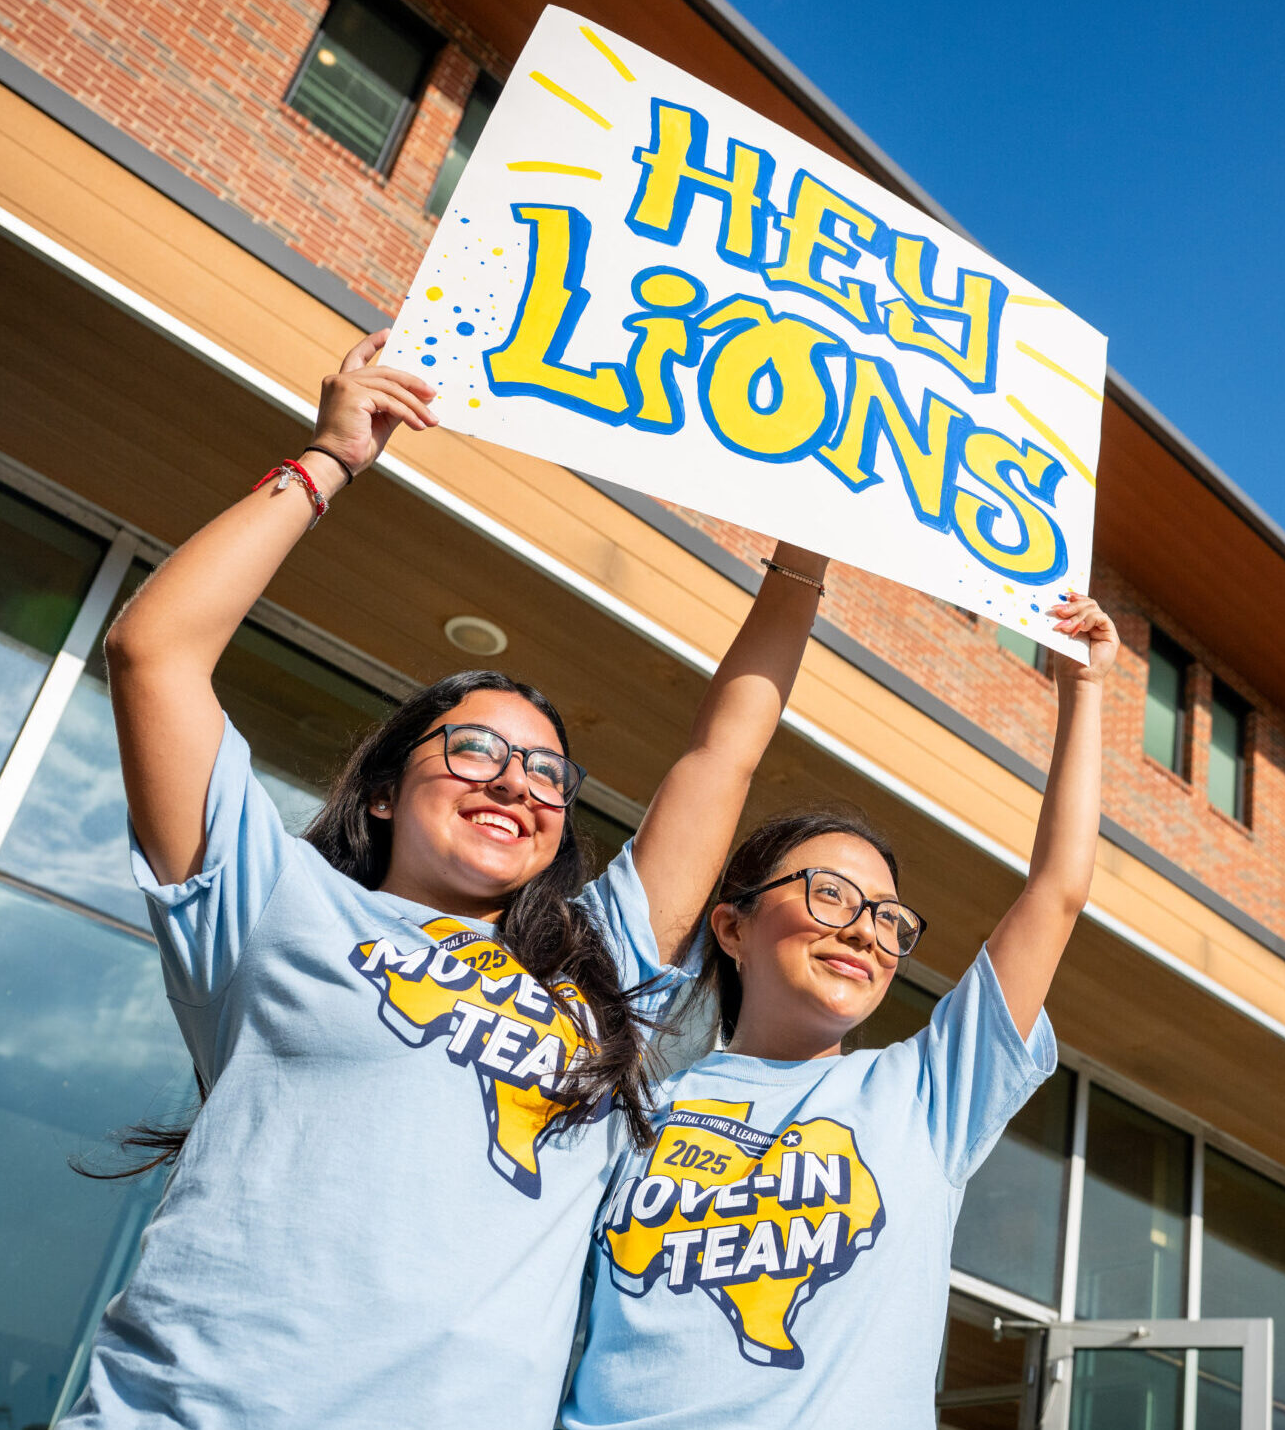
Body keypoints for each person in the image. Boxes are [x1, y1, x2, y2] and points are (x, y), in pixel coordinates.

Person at [63, 330, 829, 1427]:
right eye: (474, 751)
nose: (516, 782)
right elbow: (155, 652)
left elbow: (724, 753)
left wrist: (802, 563)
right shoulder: (273, 900)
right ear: (382, 790)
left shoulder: (599, 970)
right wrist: (327, 460)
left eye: (548, 772)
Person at [560, 592, 1116, 1427]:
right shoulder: (635, 1100)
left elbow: (1057, 891)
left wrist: (1084, 691)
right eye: (830, 895)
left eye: (889, 918)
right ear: (732, 926)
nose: (865, 930)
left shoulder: (928, 1095)